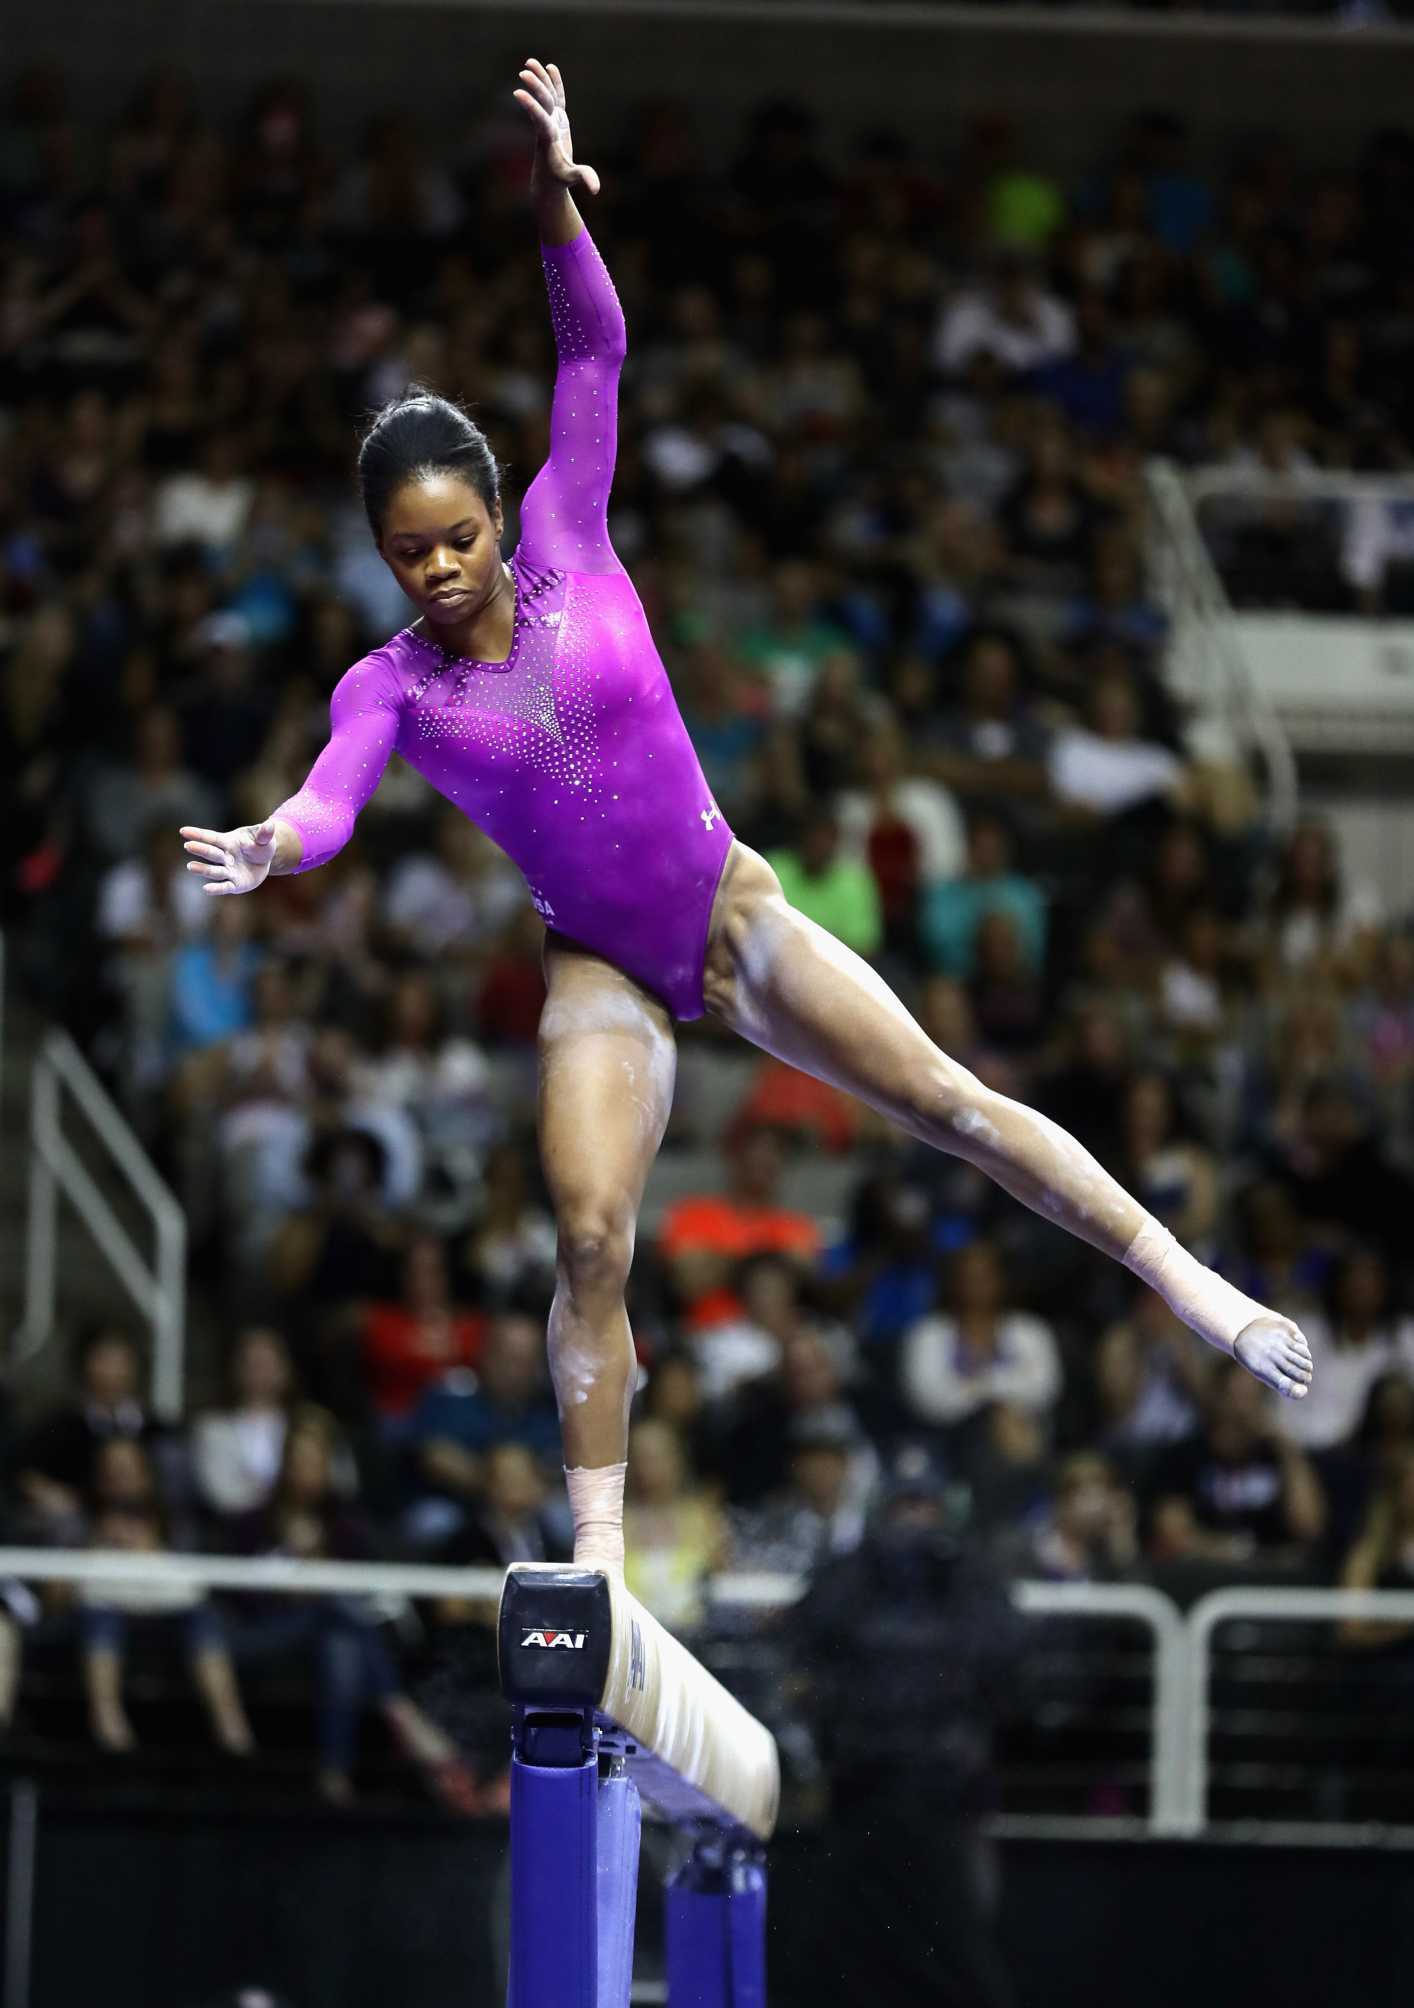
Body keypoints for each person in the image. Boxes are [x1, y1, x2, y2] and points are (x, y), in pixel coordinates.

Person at [178, 58, 1311, 1578]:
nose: (437, 568)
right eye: (406, 551)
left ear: (497, 515)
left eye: (455, 536)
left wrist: (554, 212)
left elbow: (595, 348)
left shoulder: (572, 534)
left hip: (724, 906)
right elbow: (327, 800)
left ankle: (1192, 1287)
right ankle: (597, 1554)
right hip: (598, 960)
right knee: (590, 1235)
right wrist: (271, 844)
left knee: (949, 1104)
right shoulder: (389, 686)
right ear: (381, 555)